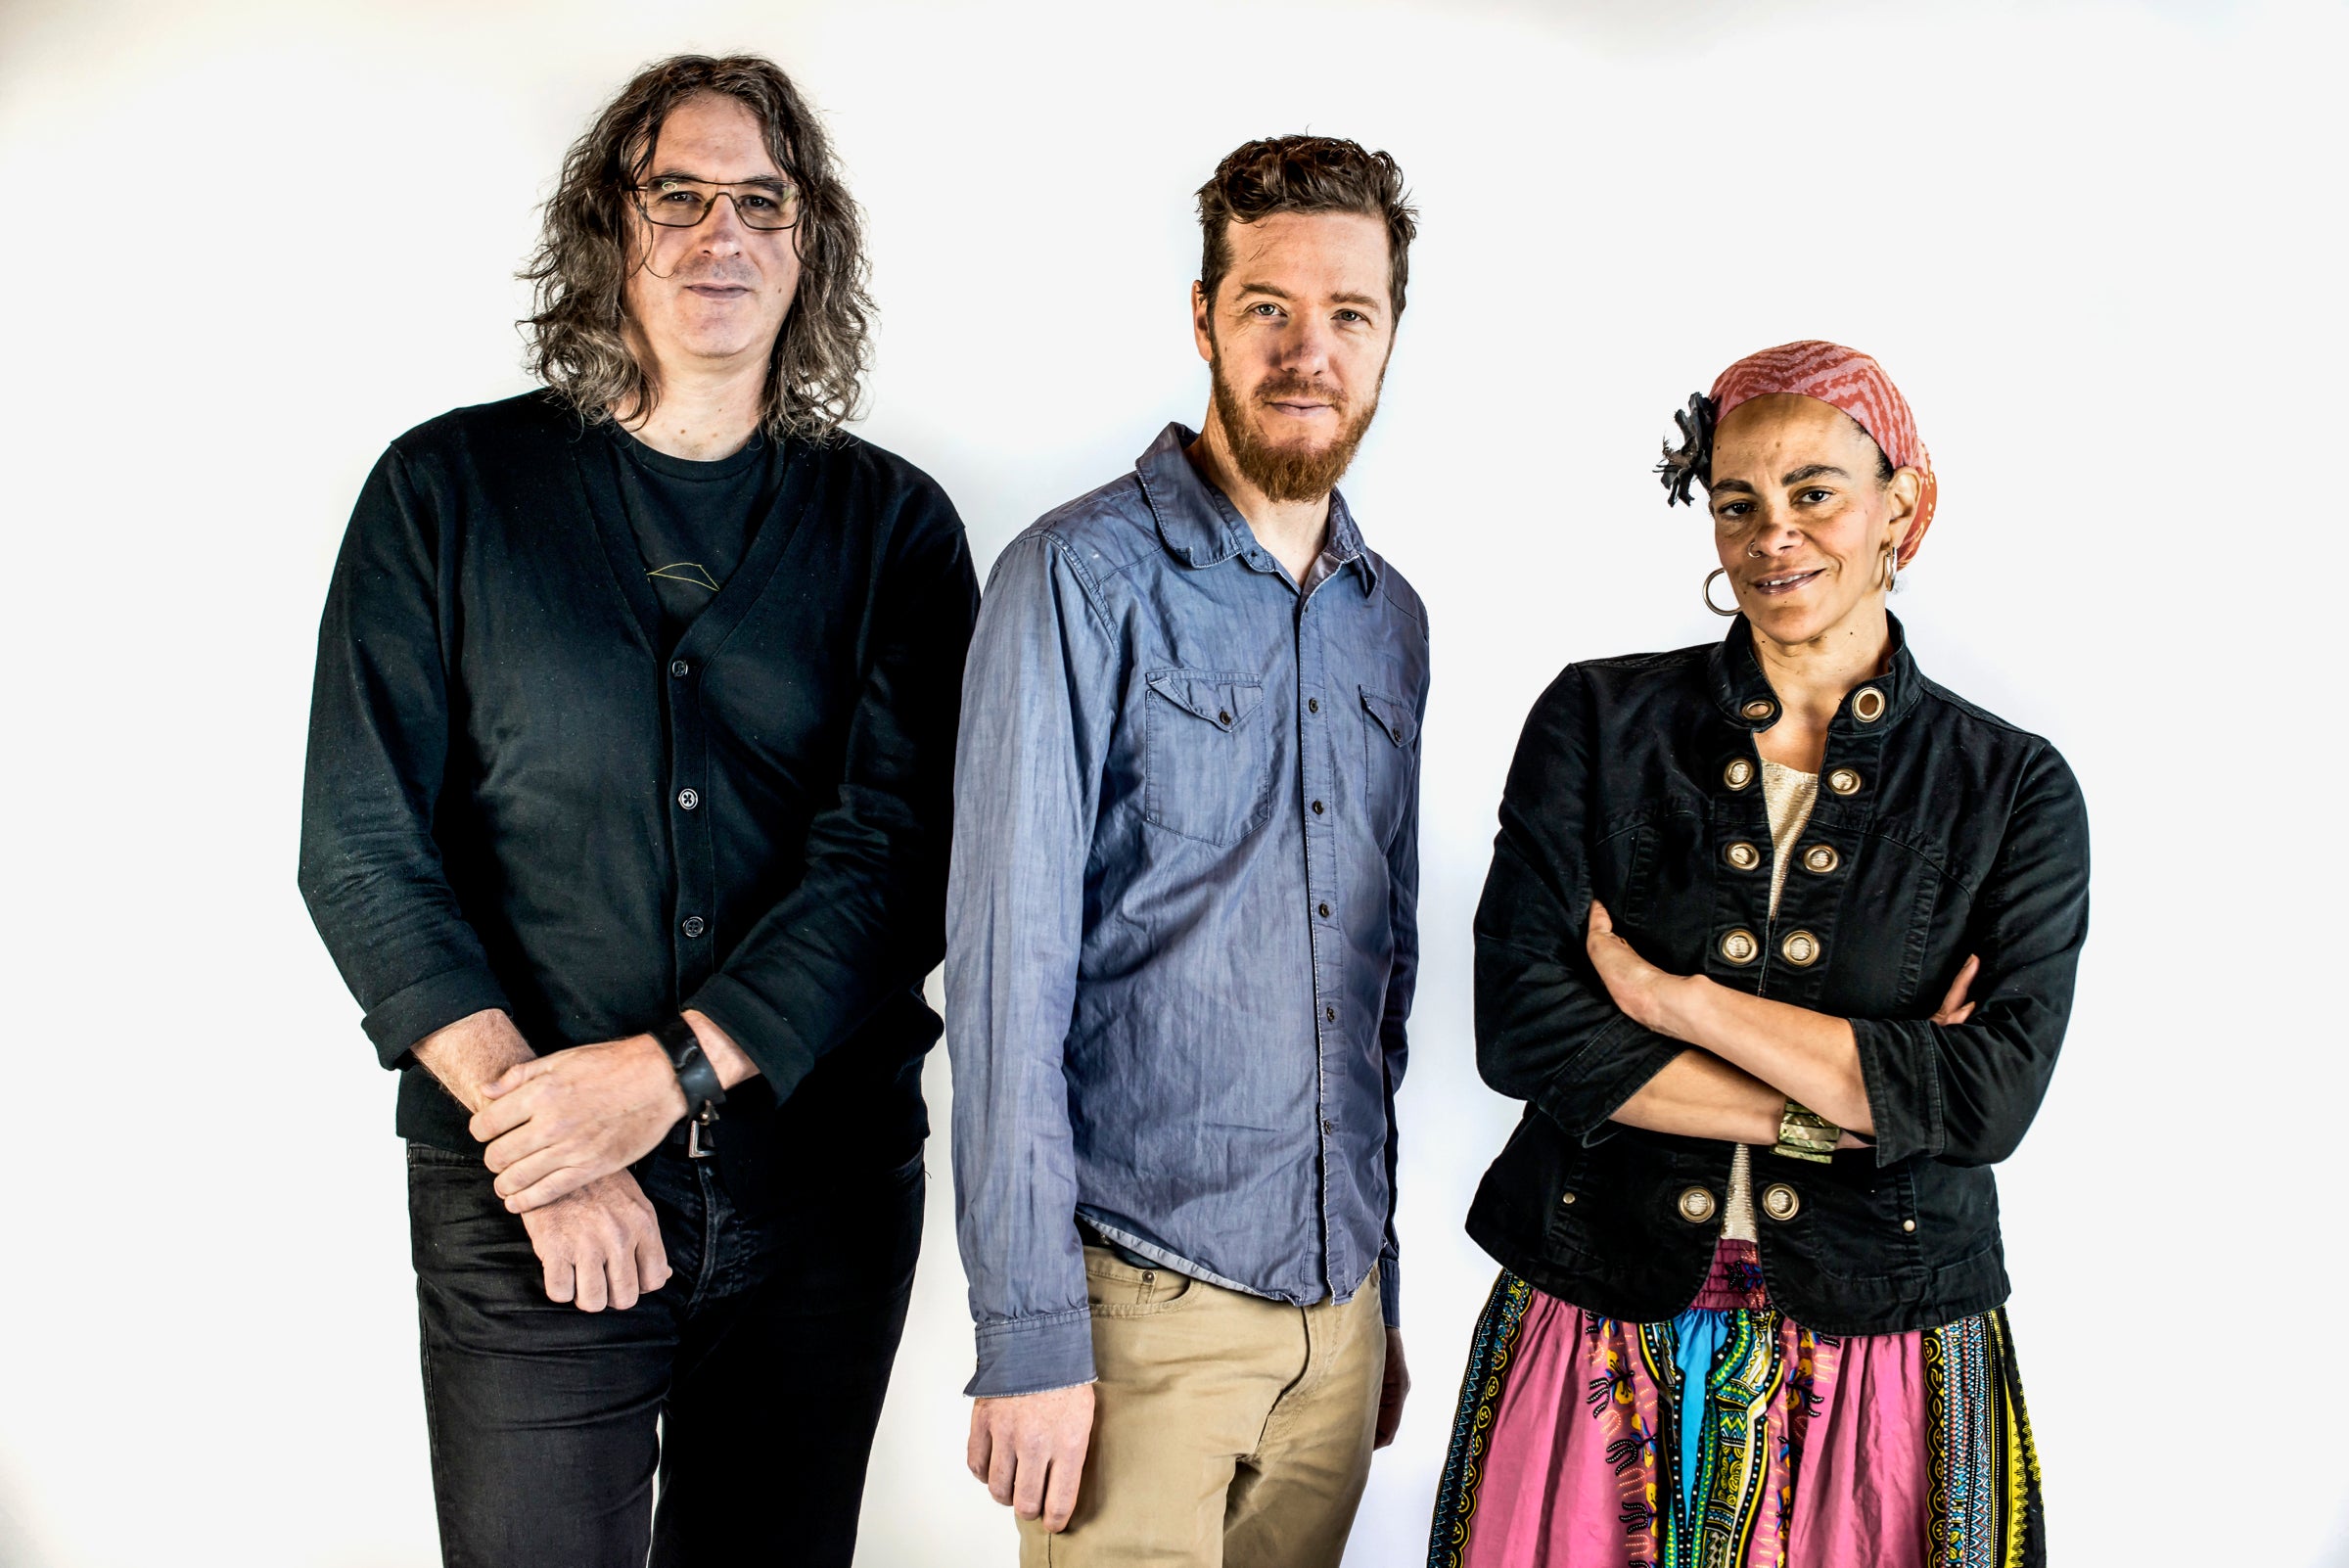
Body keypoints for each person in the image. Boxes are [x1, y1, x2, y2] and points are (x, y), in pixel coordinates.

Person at [297, 54, 977, 1567]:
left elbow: (894, 860)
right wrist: (548, 1131)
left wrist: (669, 1073)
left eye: (761, 202)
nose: (717, 234)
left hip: (817, 1197)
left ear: (810, 249)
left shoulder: (898, 532)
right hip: (522, 1193)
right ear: (613, 222)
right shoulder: (445, 492)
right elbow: (361, 842)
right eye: (678, 195)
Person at [1428, 342, 2087, 1567]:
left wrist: (1668, 999)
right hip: (1595, 1305)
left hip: (1885, 1343)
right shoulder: (1596, 721)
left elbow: (1987, 1096)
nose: (1773, 534)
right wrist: (1842, 1110)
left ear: (1906, 501)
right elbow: (1525, 1027)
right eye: (1739, 503)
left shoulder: (2012, 789)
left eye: (1814, 492)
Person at [946, 135, 1429, 1567]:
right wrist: (1028, 1335)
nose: (1308, 350)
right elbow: (1006, 978)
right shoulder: (1075, 580)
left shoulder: (1388, 619)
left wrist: (1379, 1298)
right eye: (1267, 305)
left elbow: (1374, 987)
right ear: (1203, 316)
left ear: (1394, 331)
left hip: (1335, 1329)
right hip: (1140, 1321)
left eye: (1351, 313)